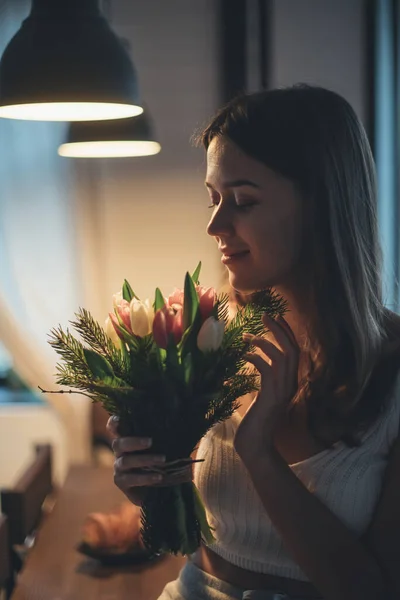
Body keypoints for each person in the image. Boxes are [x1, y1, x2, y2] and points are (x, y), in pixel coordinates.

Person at [108, 84, 400, 600]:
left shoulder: (392, 368)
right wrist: (151, 482)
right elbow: (192, 536)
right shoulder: (208, 331)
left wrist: (259, 452)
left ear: (322, 205)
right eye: (213, 198)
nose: (215, 224)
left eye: (242, 200)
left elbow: (374, 589)